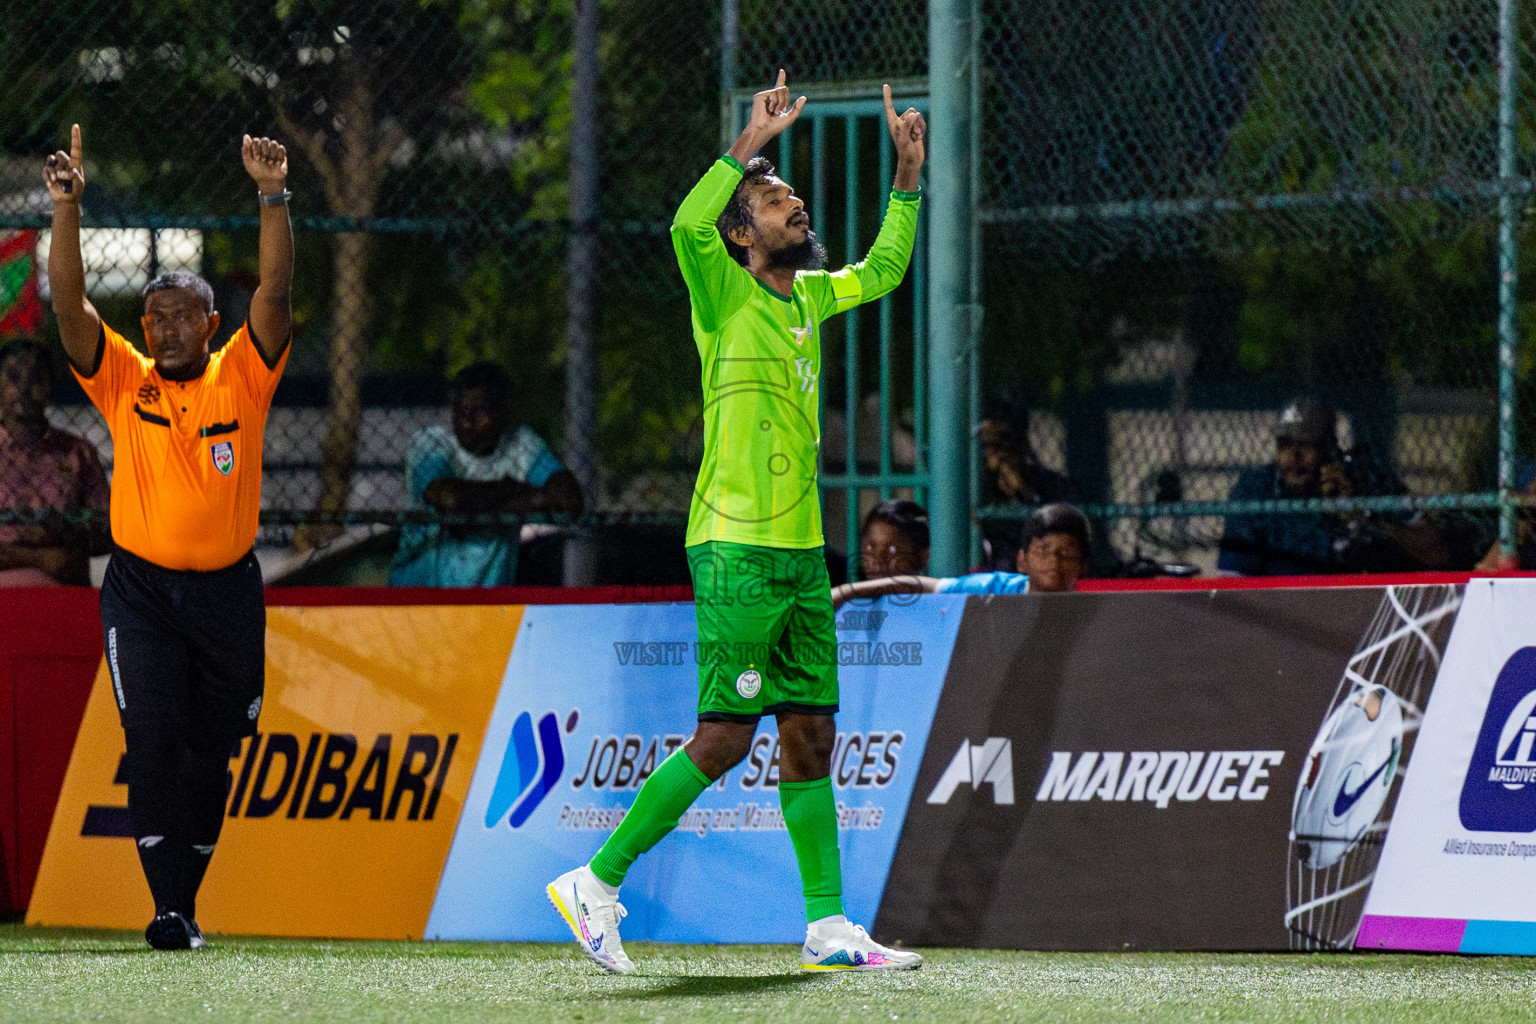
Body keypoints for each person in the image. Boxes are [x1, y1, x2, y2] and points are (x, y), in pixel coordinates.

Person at [545, 71, 926, 974]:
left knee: (811, 733)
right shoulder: (720, 295)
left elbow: (885, 269)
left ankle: (829, 927)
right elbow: (684, 223)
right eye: (771, 198)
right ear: (739, 234)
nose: (793, 203)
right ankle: (595, 880)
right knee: (725, 736)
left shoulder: (812, 298)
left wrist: (906, 176)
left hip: (798, 553)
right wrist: (743, 148)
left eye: (791, 194)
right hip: (734, 546)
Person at [45, 125, 293, 950]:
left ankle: (184, 905)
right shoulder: (125, 380)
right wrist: (66, 209)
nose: (164, 330)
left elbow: (277, 294)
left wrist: (271, 195)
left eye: (181, 317)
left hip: (226, 594)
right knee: (150, 738)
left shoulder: (243, 375)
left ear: (211, 322)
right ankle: (167, 910)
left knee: (207, 758)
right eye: (153, 318)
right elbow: (71, 307)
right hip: (142, 590)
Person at [388, 361, 582, 587]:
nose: (468, 421)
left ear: (503, 412)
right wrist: (521, 494)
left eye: (479, 411)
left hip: (489, 602)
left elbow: (568, 499)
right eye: (461, 410)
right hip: (419, 598)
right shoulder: (431, 443)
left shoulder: (521, 444)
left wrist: (484, 502)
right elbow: (450, 499)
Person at [1218, 399, 1436, 575]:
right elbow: (1235, 577)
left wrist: (1359, 517)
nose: (1292, 457)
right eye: (1284, 444)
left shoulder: (1365, 480)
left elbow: (1433, 553)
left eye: (1306, 445)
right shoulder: (1256, 488)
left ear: (1331, 451)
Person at [832, 502, 1091, 607]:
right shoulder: (995, 588)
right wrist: (845, 592)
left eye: (1066, 553)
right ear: (1022, 561)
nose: (1054, 562)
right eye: (1043, 550)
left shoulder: (1096, 612)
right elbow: (924, 585)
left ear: (1083, 566)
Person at [0, 339, 109, 585]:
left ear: (51, 386)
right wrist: (41, 557)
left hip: (65, 595)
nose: (25, 389)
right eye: (14, 378)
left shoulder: (77, 453)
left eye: (36, 378)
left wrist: (63, 528)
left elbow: (106, 535)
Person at [976, 399, 1076, 570]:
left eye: (1004, 440)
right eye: (987, 444)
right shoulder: (974, 486)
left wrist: (1023, 492)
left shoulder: (1048, 483)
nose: (997, 450)